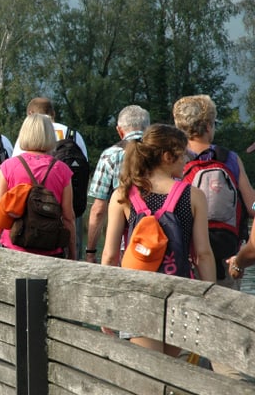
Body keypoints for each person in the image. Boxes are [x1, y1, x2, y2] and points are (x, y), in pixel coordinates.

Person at [100, 124, 215, 357]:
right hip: (179, 294)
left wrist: (106, 305)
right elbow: (202, 254)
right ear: (167, 156)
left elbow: (111, 255)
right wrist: (210, 300)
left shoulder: (123, 195)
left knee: (148, 376)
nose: (185, 160)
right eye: (183, 154)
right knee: (172, 373)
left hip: (138, 295)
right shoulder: (193, 195)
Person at [173, 94, 255, 290]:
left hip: (184, 260)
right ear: (208, 126)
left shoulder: (174, 158)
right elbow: (252, 207)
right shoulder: (230, 159)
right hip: (227, 259)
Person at [0, 113, 77, 259]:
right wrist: (73, 255)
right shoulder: (62, 170)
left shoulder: (8, 167)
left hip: (14, 247)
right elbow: (68, 217)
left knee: (16, 282)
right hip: (51, 249)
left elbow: (0, 210)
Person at [85, 105, 150, 263]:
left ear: (120, 130)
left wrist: (91, 252)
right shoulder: (161, 153)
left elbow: (99, 210)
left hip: (123, 242)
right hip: (158, 238)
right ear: (148, 129)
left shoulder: (111, 155)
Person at [12, 97, 87, 158]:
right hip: (68, 175)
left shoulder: (28, 134)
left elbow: (15, 164)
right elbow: (84, 162)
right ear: (53, 113)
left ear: (30, 114)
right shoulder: (73, 133)